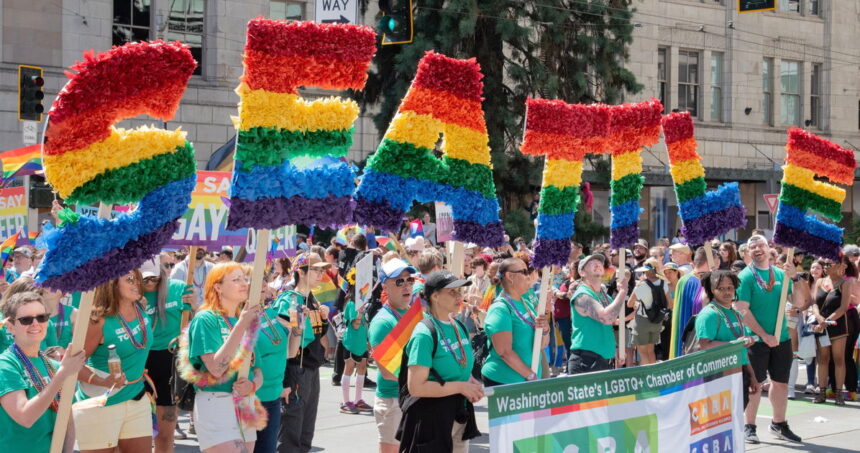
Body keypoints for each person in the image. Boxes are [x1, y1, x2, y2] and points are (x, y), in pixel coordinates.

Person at [735, 235, 809, 444]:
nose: (757, 249)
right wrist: (763, 335)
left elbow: (798, 301)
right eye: (753, 247)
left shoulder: (780, 274)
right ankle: (749, 426)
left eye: (761, 245)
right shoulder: (745, 277)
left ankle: (779, 424)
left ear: (769, 248)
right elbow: (742, 310)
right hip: (755, 341)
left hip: (781, 339)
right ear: (748, 252)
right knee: (755, 385)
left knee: (781, 383)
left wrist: (795, 278)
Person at [399, 270, 482, 452]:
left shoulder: (459, 325)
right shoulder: (424, 334)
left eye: (459, 291)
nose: (458, 296)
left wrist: (469, 381)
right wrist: (461, 387)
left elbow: (458, 366)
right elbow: (416, 387)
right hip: (432, 419)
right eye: (452, 292)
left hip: (459, 413)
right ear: (435, 296)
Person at [184, 262, 264, 452]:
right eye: (236, 280)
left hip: (245, 403)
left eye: (244, 279)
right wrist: (242, 325)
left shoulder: (242, 320)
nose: (244, 284)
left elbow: (258, 370)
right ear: (218, 287)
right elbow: (216, 368)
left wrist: (252, 385)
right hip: (216, 401)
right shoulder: (206, 319)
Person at [74, 270, 154, 452]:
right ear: (112, 285)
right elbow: (73, 365)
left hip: (136, 397)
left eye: (138, 279)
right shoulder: (98, 320)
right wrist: (102, 381)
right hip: (102, 404)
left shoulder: (140, 306)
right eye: (129, 280)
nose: (137, 284)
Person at [0, 292, 86, 453]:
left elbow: (68, 418)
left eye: (41, 317)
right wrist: (62, 374)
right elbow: (25, 417)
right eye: (26, 320)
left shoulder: (53, 365)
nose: (35, 324)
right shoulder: (5, 365)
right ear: (10, 327)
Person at [276, 253, 331, 453]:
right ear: (301, 271)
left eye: (322, 270)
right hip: (294, 368)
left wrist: (323, 318)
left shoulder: (313, 299)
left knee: (306, 431)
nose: (321, 274)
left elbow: (318, 332)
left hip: (312, 368)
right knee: (291, 431)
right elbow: (282, 337)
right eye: (316, 270)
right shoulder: (290, 298)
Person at [140, 257, 195, 453]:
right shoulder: (131, 294)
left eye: (153, 278)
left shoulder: (180, 288)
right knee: (139, 434)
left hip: (171, 361)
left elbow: (197, 322)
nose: (150, 283)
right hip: (141, 361)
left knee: (165, 432)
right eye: (144, 279)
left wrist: (195, 304)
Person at [368, 259, 417, 453]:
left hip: (413, 396)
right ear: (385, 286)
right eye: (399, 281)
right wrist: (425, 381)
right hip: (393, 401)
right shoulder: (382, 322)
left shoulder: (411, 313)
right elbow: (388, 372)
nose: (406, 285)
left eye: (409, 280)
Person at [695, 270, 759, 408]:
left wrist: (752, 376)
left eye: (730, 287)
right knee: (720, 421)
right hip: (718, 375)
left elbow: (742, 349)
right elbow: (705, 345)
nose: (727, 292)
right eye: (721, 288)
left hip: (739, 372)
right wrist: (734, 344)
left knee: (736, 418)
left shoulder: (736, 313)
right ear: (712, 290)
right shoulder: (709, 314)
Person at [481, 258, 549, 386]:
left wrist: (545, 330)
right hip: (506, 381)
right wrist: (530, 376)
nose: (529, 276)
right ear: (510, 276)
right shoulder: (500, 308)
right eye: (524, 271)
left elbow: (541, 345)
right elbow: (504, 352)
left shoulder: (526, 302)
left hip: (530, 378)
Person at [254, 273, 301, 453]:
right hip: (251, 398)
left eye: (265, 284)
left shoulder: (270, 314)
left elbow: (290, 352)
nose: (265, 288)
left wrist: (297, 330)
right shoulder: (238, 319)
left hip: (273, 396)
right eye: (260, 284)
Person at [568, 254, 630, 374]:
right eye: (591, 263)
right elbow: (605, 317)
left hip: (603, 359)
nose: (597, 265)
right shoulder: (581, 295)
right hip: (585, 360)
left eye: (599, 262)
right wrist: (622, 292)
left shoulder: (604, 296)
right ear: (582, 272)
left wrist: (615, 347)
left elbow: (610, 324)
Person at [811, 255, 854, 405]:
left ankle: (839, 394)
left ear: (839, 265)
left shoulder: (845, 283)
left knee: (839, 359)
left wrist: (827, 321)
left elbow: (843, 307)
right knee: (822, 359)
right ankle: (821, 392)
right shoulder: (820, 282)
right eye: (825, 264)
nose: (827, 266)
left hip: (838, 326)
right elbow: (814, 303)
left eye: (830, 264)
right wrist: (819, 317)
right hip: (821, 325)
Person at [627, 258, 670, 365]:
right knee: (651, 350)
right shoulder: (663, 283)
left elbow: (630, 304)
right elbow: (670, 304)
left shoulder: (642, 285)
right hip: (657, 321)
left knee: (643, 352)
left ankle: (646, 377)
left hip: (642, 321)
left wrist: (637, 291)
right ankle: (653, 376)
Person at [339, 291, 371, 414]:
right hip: (352, 342)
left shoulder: (364, 304)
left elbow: (365, 324)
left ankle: (358, 400)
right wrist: (360, 312)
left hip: (362, 342)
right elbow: (356, 325)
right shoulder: (352, 304)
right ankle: (345, 402)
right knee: (349, 369)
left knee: (362, 368)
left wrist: (368, 342)